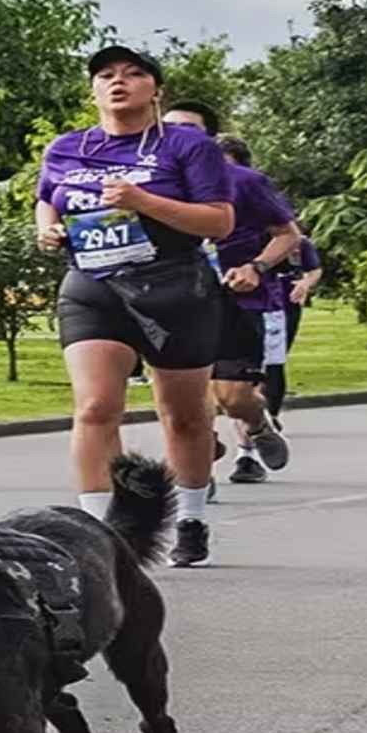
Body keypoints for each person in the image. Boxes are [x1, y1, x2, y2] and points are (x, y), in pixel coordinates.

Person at [35, 46, 234, 566]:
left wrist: (143, 202)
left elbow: (218, 223)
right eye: (105, 75)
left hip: (174, 286)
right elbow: (47, 197)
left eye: (133, 73)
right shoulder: (66, 147)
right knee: (96, 407)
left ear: (155, 89)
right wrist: (46, 230)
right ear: (93, 90)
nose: (118, 82)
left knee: (185, 415)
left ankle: (190, 516)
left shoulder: (188, 147)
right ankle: (100, 533)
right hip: (94, 285)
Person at [160, 112, 297, 486]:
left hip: (238, 303)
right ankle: (196, 475)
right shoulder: (148, 183)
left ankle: (256, 423)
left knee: (234, 397)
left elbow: (289, 235)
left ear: (209, 138)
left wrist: (256, 267)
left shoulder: (245, 182)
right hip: (172, 301)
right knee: (182, 398)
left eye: (189, 130)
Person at [265, 235, 322, 426]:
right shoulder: (246, 238)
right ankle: (253, 412)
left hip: (286, 305)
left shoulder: (298, 242)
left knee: (276, 360)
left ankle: (271, 413)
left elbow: (314, 270)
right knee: (250, 361)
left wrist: (305, 284)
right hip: (253, 304)